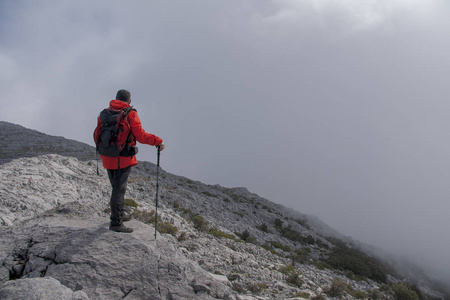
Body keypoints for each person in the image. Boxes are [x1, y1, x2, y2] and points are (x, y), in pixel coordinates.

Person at [98, 89, 164, 233]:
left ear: (116, 98)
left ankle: (119, 213)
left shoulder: (105, 113)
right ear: (129, 101)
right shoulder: (130, 113)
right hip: (122, 157)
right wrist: (157, 141)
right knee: (119, 189)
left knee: (115, 186)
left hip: (107, 154)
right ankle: (116, 222)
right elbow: (140, 135)